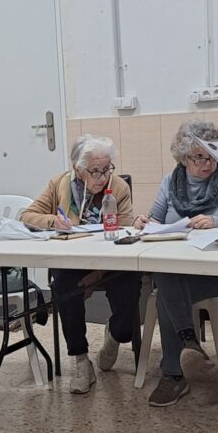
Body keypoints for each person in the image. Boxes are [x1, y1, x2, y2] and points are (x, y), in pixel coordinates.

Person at [134, 119, 218, 408]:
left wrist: (216, 221)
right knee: (168, 276)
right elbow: (156, 220)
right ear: (184, 157)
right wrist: (144, 222)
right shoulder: (169, 182)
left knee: (165, 288)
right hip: (179, 270)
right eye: (200, 157)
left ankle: (173, 374)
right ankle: (187, 345)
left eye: (212, 156)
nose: (208, 163)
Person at [19, 135, 140, 394]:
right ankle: (81, 359)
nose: (102, 177)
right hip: (72, 260)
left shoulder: (118, 188)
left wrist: (97, 274)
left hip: (112, 262)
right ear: (77, 169)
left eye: (107, 169)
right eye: (94, 171)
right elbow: (26, 215)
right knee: (62, 286)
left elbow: (127, 231)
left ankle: (116, 336)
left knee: (130, 285)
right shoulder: (59, 184)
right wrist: (54, 221)